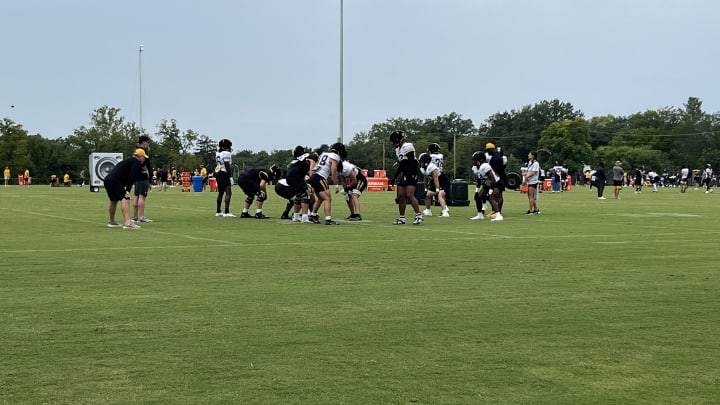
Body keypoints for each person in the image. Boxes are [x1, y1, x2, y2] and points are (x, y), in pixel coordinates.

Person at [104, 149, 148, 229]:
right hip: (115, 181)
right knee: (125, 198)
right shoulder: (136, 162)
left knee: (114, 201)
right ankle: (128, 223)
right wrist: (128, 190)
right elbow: (132, 176)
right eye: (143, 157)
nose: (144, 159)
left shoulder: (129, 161)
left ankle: (112, 221)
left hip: (108, 179)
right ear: (139, 156)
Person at [275, 146, 318, 223]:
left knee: (298, 195)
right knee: (305, 195)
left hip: (290, 176)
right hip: (296, 176)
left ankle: (296, 216)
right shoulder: (311, 156)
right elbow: (311, 170)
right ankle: (305, 217)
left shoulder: (297, 159)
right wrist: (312, 180)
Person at [390, 130, 423, 225]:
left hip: (412, 172)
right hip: (405, 173)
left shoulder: (408, 146)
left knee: (409, 195)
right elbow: (402, 164)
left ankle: (419, 216)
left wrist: (408, 176)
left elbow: (412, 162)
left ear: (399, 140)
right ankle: (402, 218)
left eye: (394, 141)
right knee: (400, 196)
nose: (393, 144)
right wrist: (395, 177)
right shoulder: (398, 150)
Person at [308, 142, 344, 225]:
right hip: (320, 177)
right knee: (328, 198)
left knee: (321, 198)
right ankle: (328, 220)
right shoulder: (335, 157)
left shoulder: (325, 154)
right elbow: (333, 172)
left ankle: (313, 215)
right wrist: (336, 186)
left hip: (314, 176)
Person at [471, 151, 503, 221]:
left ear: (481, 160)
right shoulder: (477, 168)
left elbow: (493, 179)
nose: (475, 162)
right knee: (478, 197)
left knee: (491, 197)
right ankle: (480, 215)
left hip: (496, 183)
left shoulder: (485, 166)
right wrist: (476, 191)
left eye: (476, 160)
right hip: (488, 183)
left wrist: (490, 191)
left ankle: (498, 215)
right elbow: (479, 179)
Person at [418, 152, 450, 217]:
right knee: (427, 195)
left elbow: (436, 178)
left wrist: (437, 189)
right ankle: (428, 211)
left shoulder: (432, 167)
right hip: (434, 182)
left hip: (443, 181)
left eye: (422, 161)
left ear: (426, 161)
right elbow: (426, 178)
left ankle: (445, 212)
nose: (420, 163)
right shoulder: (423, 168)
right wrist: (426, 188)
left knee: (440, 195)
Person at [132, 135, 153, 223]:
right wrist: (150, 178)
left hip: (136, 177)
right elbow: (147, 166)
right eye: (147, 143)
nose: (148, 145)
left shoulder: (136, 151)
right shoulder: (143, 152)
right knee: (142, 196)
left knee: (136, 196)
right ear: (144, 143)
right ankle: (141, 217)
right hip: (143, 177)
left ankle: (135, 216)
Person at [485, 143, 507, 220]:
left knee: (494, 196)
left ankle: (497, 212)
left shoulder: (495, 158)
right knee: (499, 195)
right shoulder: (498, 155)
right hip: (501, 177)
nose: (487, 152)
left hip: (498, 178)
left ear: (491, 149)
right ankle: (497, 212)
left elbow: (495, 170)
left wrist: (495, 179)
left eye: (488, 150)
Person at [215, 138, 235, 217]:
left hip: (218, 173)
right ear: (226, 146)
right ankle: (226, 212)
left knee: (220, 193)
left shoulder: (218, 153)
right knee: (228, 192)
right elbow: (227, 165)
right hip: (224, 173)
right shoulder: (226, 153)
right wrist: (230, 176)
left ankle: (218, 211)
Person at [524, 151, 541, 215]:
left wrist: (526, 176)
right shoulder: (530, 162)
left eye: (529, 154)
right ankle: (536, 209)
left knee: (531, 196)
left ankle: (530, 211)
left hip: (533, 181)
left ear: (533, 156)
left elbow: (534, 172)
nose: (528, 155)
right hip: (530, 181)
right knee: (530, 196)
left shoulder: (536, 163)